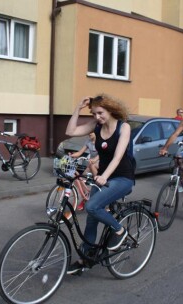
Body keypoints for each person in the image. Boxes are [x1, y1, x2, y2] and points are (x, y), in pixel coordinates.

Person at [65, 94, 135, 274]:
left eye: (100, 113)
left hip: (122, 178)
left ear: (110, 109)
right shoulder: (96, 126)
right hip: (103, 177)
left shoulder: (123, 127)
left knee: (92, 206)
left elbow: (119, 156)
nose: (97, 117)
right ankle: (84, 259)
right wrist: (78, 108)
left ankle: (120, 231)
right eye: (94, 113)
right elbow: (70, 131)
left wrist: (104, 176)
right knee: (91, 219)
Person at [69, 132, 99, 210]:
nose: (89, 134)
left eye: (91, 132)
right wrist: (71, 155)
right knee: (79, 176)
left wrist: (95, 159)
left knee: (93, 170)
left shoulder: (100, 141)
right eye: (88, 132)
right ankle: (85, 196)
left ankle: (98, 183)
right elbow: (80, 152)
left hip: (100, 162)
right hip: (91, 162)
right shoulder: (88, 141)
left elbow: (102, 153)